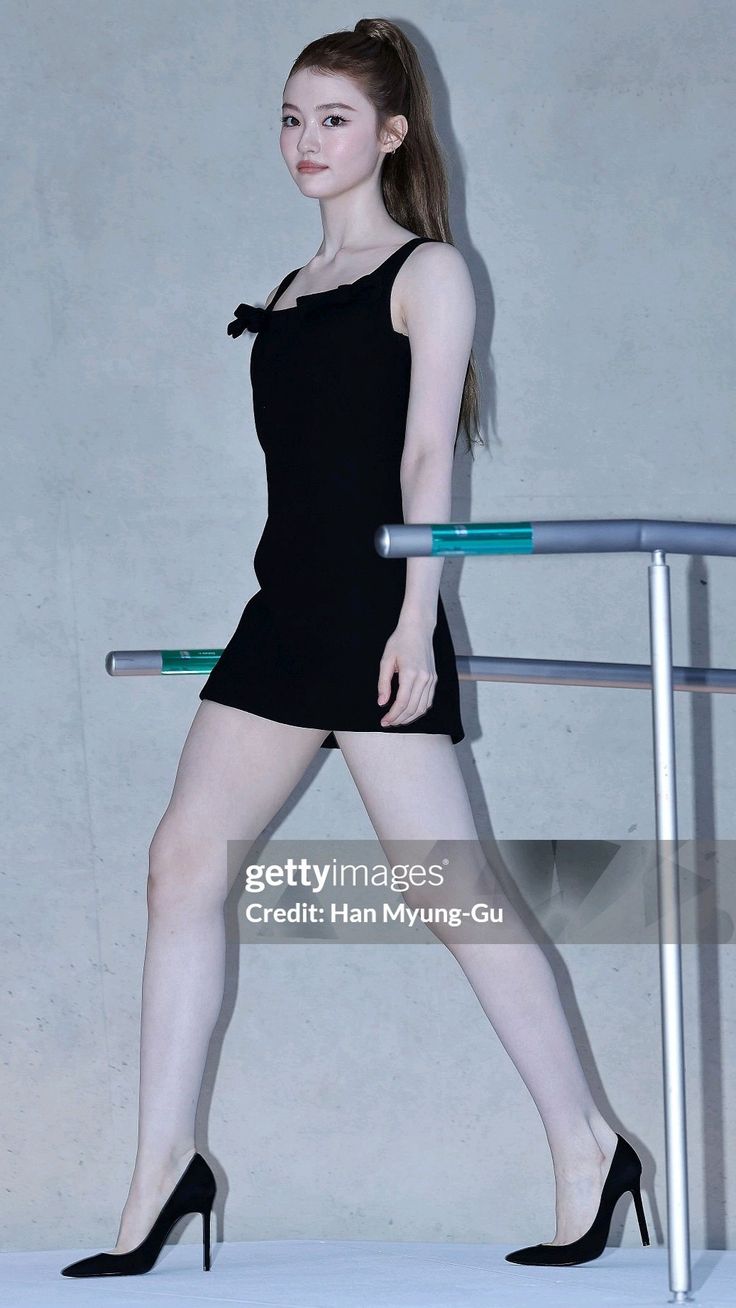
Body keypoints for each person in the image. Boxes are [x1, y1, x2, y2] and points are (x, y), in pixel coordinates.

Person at [61, 16, 649, 1279]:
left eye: (332, 119)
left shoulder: (429, 272)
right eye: (290, 118)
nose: (304, 141)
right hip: (282, 613)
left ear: (390, 133)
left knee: (450, 892)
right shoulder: (285, 291)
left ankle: (588, 1145)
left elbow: (430, 456)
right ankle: (164, 1171)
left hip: (378, 610)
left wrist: (417, 619)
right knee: (179, 866)